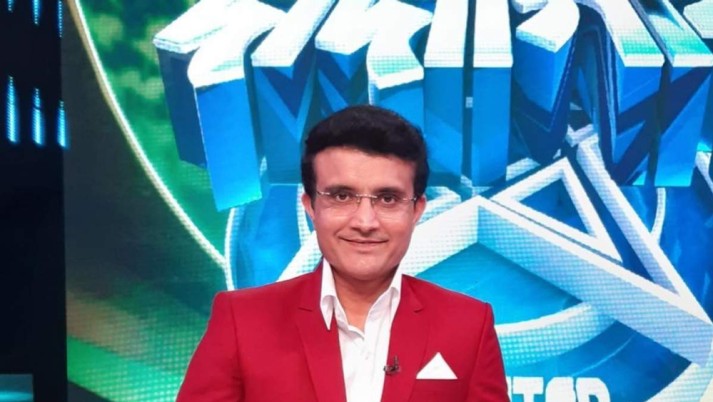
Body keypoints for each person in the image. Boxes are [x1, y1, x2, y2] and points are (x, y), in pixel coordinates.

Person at [176, 105, 508, 402]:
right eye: (342, 197)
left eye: (388, 199)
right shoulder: (242, 320)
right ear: (310, 206)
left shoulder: (468, 326)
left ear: (416, 210)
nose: (365, 222)